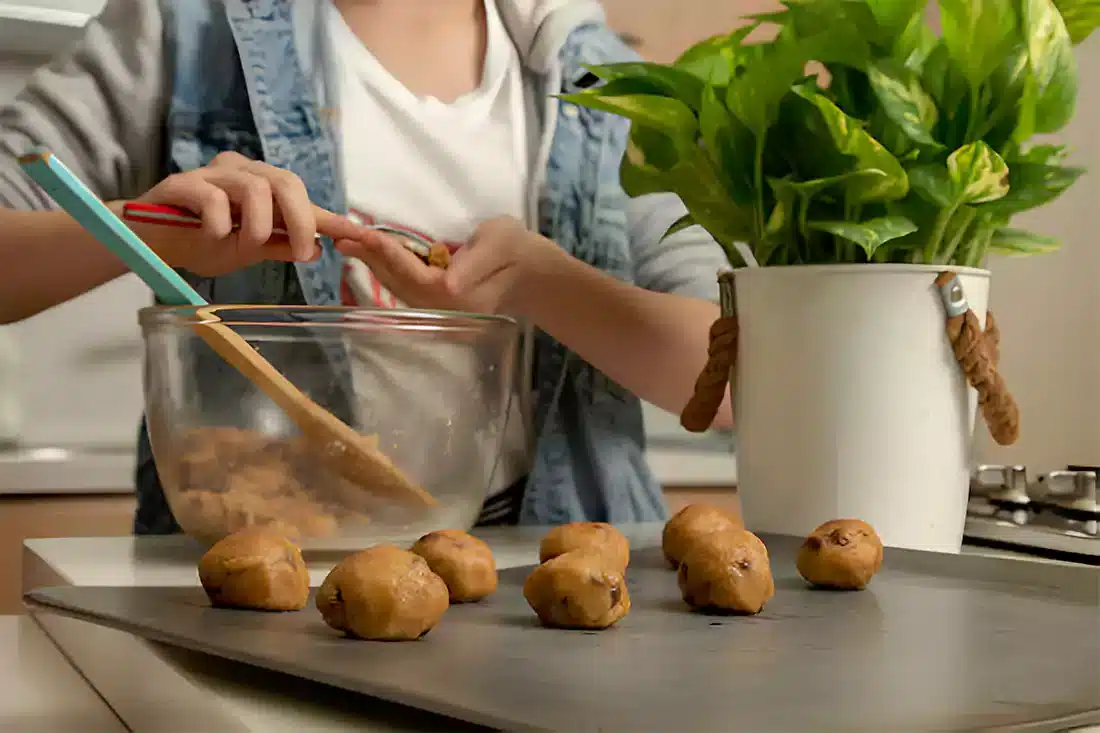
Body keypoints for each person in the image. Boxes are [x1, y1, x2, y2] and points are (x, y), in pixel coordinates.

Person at [0, 0, 733, 533]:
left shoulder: (601, 75)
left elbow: (729, 382)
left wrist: (539, 282)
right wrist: (153, 231)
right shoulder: (187, 28)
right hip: (268, 573)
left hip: (557, 573)